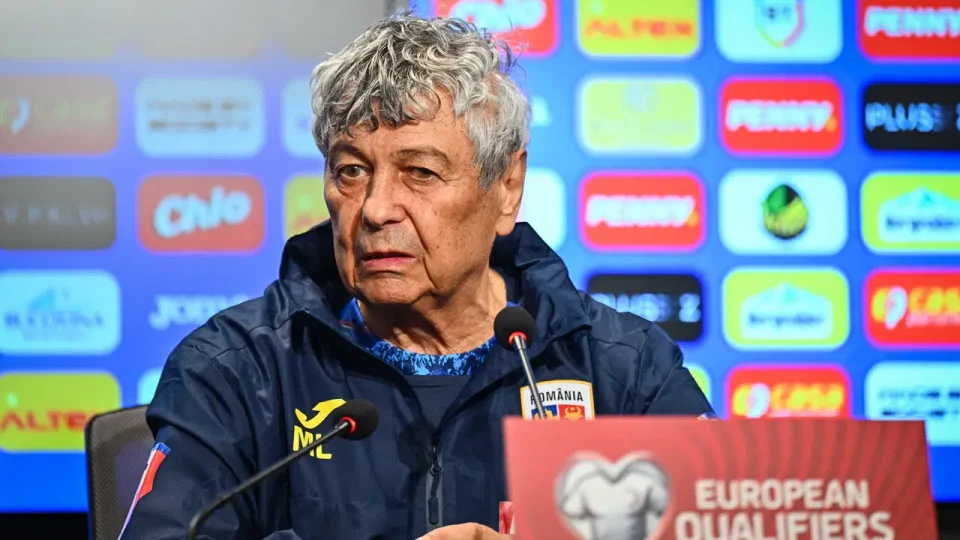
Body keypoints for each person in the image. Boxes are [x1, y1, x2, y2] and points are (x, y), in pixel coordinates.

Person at [119, 12, 714, 540]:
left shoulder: (620, 368)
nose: (376, 208)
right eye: (351, 171)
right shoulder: (237, 369)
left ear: (507, 188)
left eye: (420, 173)